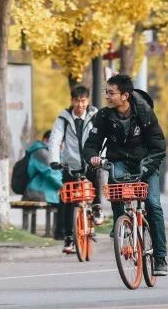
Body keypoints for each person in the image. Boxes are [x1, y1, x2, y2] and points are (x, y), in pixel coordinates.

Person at [84, 74, 168, 276]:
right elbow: (91, 144)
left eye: (111, 93)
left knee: (153, 205)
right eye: (106, 92)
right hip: (119, 161)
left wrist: (147, 169)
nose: (107, 96)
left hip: (146, 163)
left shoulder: (145, 113)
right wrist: (93, 157)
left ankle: (160, 257)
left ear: (125, 96)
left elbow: (158, 147)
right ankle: (120, 223)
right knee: (117, 187)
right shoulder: (104, 116)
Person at [47, 85, 100, 254]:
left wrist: (101, 157)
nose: (80, 105)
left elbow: (103, 138)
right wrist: (54, 160)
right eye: (76, 101)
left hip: (90, 162)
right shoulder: (63, 118)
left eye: (83, 101)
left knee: (95, 179)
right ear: (71, 101)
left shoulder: (95, 116)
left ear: (88, 101)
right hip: (70, 164)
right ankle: (68, 238)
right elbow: (55, 139)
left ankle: (97, 207)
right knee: (68, 200)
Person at [23, 131, 62, 232]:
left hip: (40, 190)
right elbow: (50, 173)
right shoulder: (41, 153)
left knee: (64, 200)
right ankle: (55, 232)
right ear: (46, 140)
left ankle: (55, 232)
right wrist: (62, 186)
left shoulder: (47, 152)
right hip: (36, 191)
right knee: (63, 202)